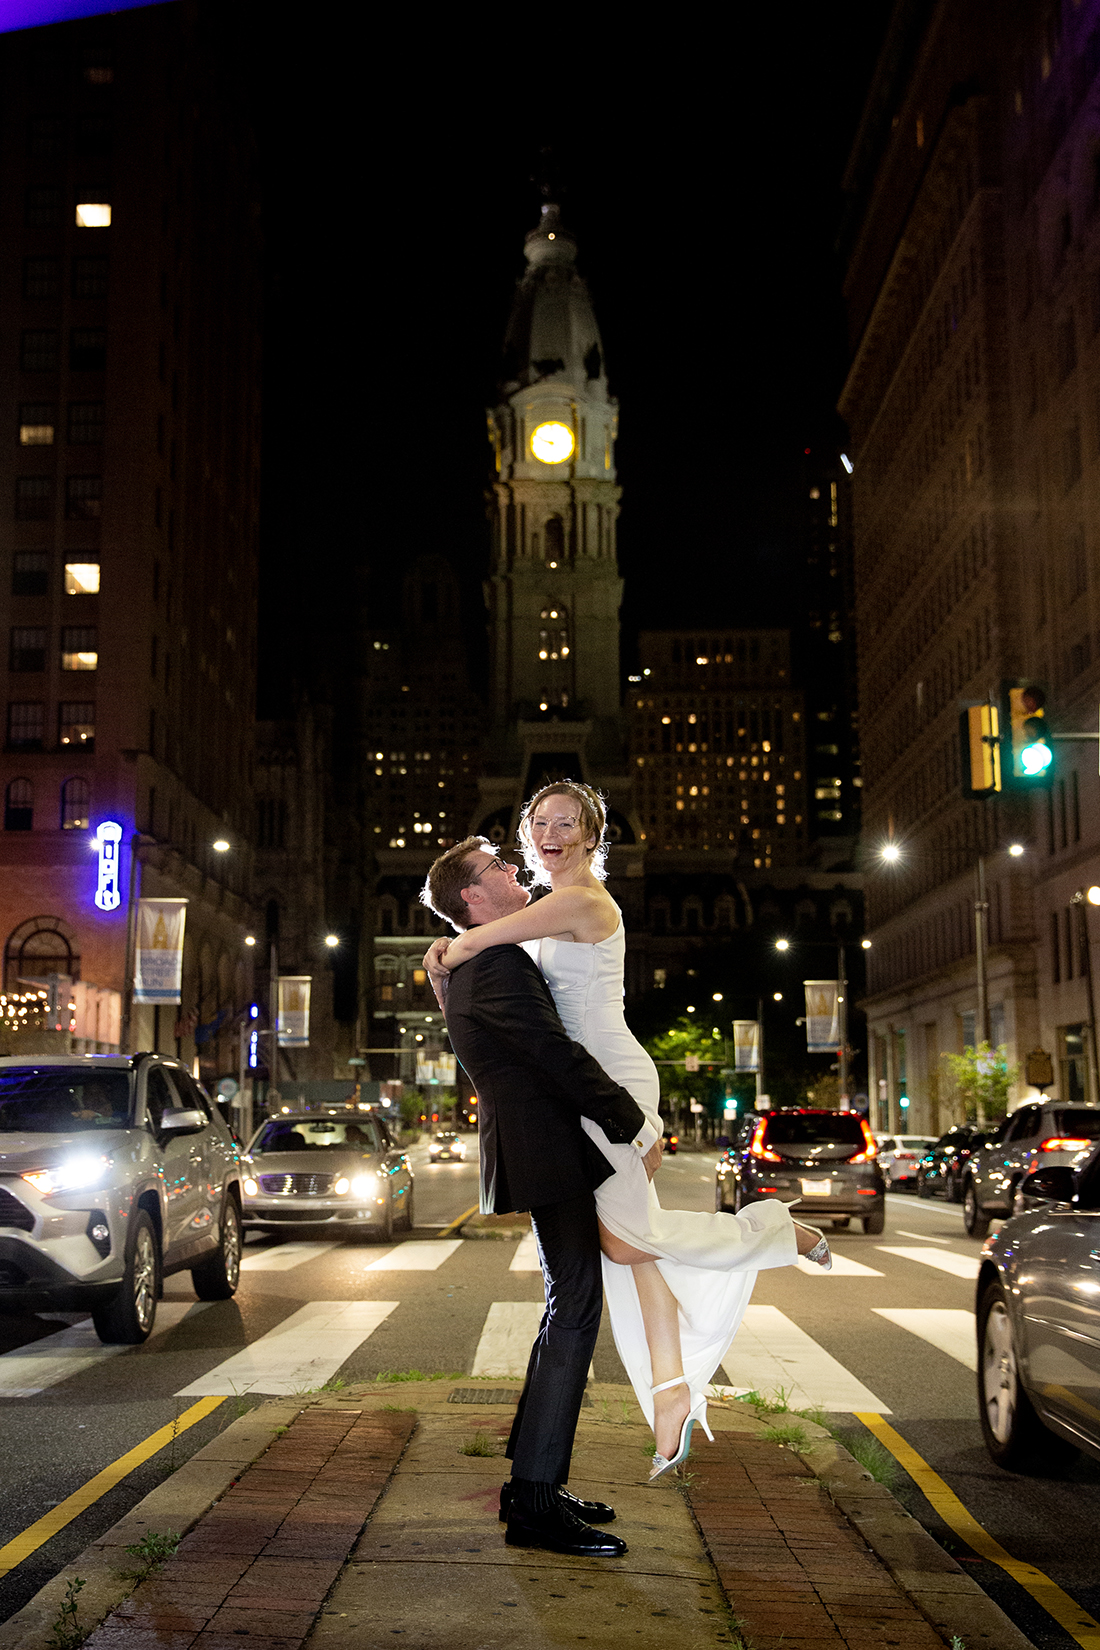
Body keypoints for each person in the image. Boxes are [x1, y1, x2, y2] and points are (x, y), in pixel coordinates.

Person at [425, 782, 831, 1480]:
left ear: (590, 835)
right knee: (628, 1241)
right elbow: (494, 981)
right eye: (539, 823)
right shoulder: (547, 911)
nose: (551, 833)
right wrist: (451, 957)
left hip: (610, 1081)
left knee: (624, 1237)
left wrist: (443, 950)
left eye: (567, 823)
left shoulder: (580, 901)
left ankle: (777, 1234)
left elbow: (479, 941)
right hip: (583, 1091)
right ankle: (671, 1391)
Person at [420, 834, 662, 1558]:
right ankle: (533, 1501)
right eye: (497, 866)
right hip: (551, 1150)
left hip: (540, 1148)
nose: (514, 869)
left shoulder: (483, 959)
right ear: (471, 896)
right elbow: (554, 1053)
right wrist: (631, 1123)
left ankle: (534, 1484)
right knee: (576, 1309)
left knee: (567, 1304)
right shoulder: (492, 965)